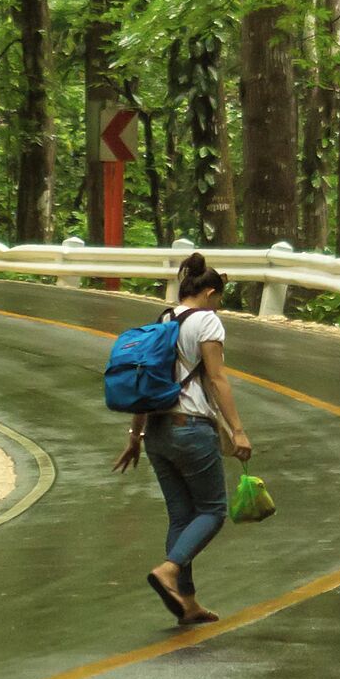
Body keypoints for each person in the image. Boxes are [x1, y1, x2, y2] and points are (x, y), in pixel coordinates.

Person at [116, 253, 253, 627]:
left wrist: (136, 435)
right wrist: (237, 429)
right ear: (209, 292)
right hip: (191, 428)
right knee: (212, 511)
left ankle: (187, 601)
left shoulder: (163, 320)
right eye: (219, 297)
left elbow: (147, 380)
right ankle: (169, 569)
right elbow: (216, 379)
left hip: (158, 431)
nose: (219, 305)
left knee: (181, 515)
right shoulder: (208, 322)